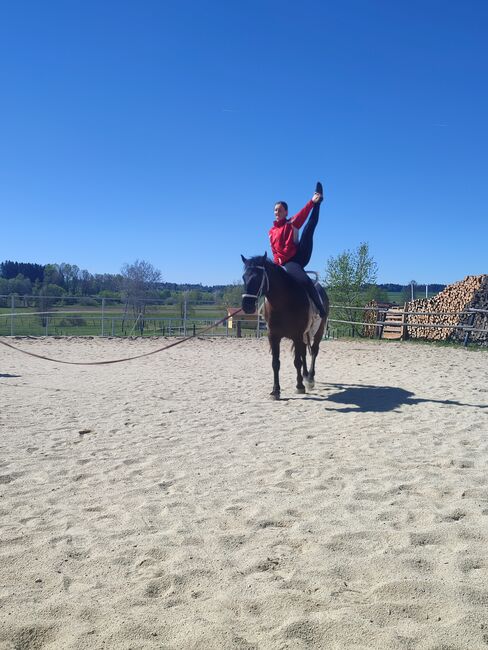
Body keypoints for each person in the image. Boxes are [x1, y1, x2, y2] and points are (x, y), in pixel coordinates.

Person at [268, 182, 326, 317]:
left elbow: (304, 213)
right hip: (283, 262)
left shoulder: (291, 223)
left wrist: (312, 202)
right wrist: (277, 262)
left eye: (280, 210)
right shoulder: (271, 231)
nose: (277, 212)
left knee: (308, 229)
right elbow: (274, 250)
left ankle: (319, 307)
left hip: (297, 256)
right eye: (275, 210)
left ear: (286, 212)